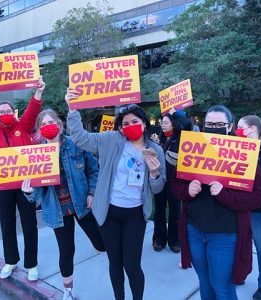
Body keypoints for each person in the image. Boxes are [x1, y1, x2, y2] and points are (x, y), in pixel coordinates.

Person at [66, 87, 165, 300]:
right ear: (120, 128)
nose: (131, 126)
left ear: (145, 123)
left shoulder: (155, 150)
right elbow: (81, 138)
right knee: (115, 262)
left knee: (132, 265)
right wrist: (73, 109)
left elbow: (158, 189)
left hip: (135, 215)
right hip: (109, 213)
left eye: (135, 122)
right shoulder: (110, 140)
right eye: (125, 124)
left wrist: (155, 173)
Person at [170, 105, 261, 300]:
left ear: (229, 126)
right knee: (205, 282)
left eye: (219, 124)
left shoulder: (244, 153)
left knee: (223, 288)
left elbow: (257, 197)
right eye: (210, 124)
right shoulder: (193, 149)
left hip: (226, 234)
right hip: (194, 229)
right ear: (203, 126)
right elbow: (176, 183)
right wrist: (187, 190)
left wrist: (225, 195)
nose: (214, 127)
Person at [21, 108, 105, 300]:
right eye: (42, 124)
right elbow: (39, 190)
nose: (47, 126)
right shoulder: (37, 154)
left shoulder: (76, 144)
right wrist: (30, 191)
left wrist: (92, 193)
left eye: (51, 122)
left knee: (102, 244)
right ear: (39, 129)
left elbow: (93, 170)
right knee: (67, 251)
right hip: (58, 210)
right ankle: (68, 291)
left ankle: (100, 246)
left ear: (59, 125)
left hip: (82, 205)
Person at [0, 77, 45, 281]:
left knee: (29, 224)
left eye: (8, 111)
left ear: (13, 113)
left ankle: (31, 264)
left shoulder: (23, 126)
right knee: (6, 224)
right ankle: (10, 260)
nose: (5, 114)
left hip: (25, 186)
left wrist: (38, 92)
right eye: (1, 112)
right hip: (4, 186)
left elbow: (32, 111)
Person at [236, 115, 261, 300]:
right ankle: (240, 274)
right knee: (241, 243)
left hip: (260, 208)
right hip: (239, 205)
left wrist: (254, 194)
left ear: (252, 129)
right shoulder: (237, 149)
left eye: (241, 127)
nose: (237, 131)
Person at [152, 108, 191, 253]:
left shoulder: (181, 137)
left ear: (174, 124)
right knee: (159, 211)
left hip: (175, 181)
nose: (162, 125)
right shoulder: (159, 139)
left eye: (166, 122)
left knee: (175, 211)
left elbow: (187, 124)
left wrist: (174, 113)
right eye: (161, 122)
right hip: (160, 180)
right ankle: (159, 239)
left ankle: (175, 240)